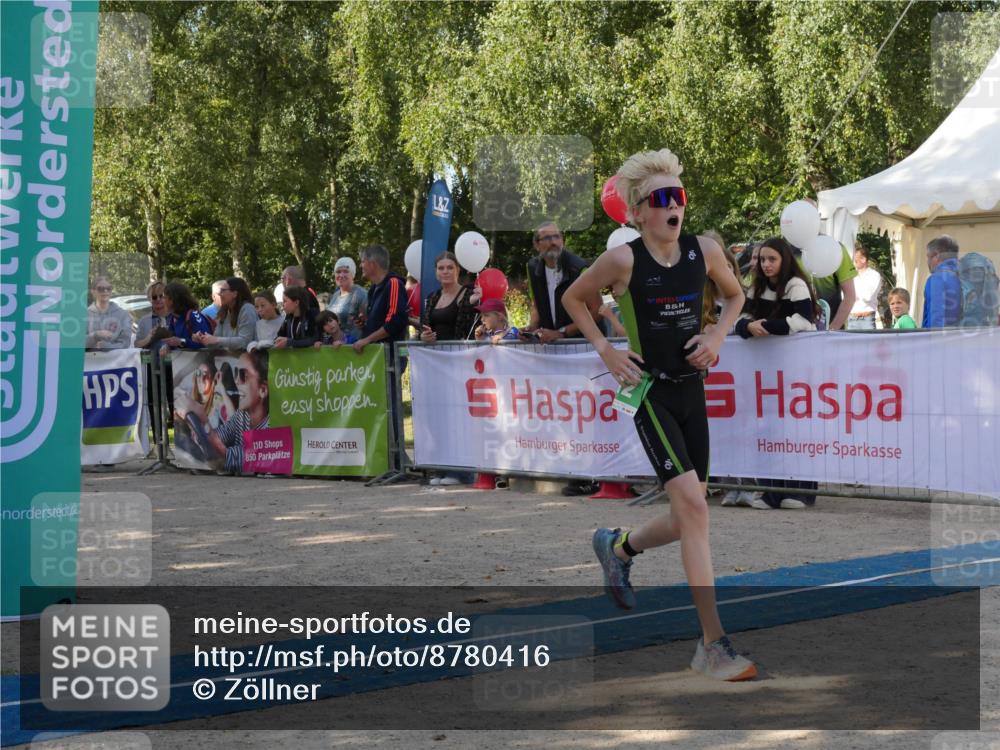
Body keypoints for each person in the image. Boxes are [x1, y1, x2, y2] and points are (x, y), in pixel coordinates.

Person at [562, 147, 755, 681]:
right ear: (639, 212)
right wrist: (606, 349)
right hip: (649, 392)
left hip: (693, 391)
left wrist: (717, 334)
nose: (674, 207)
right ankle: (712, 645)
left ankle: (619, 546)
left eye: (679, 197)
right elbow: (573, 298)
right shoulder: (623, 260)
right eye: (661, 199)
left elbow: (736, 298)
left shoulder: (705, 250)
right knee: (694, 507)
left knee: (688, 513)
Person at [733, 236, 818, 510]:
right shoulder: (755, 288)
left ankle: (802, 491)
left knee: (797, 428)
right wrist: (748, 328)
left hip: (797, 369)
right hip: (767, 370)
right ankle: (771, 491)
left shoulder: (796, 286)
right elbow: (738, 319)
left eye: (772, 259)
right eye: (761, 259)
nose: (765, 265)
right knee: (769, 427)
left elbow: (803, 321)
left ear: (784, 261)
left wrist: (765, 326)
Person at [209, 349, 270, 474]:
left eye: (243, 376)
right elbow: (221, 436)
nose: (236, 381)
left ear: (262, 390)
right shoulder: (242, 416)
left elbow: (233, 456)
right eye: (236, 373)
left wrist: (202, 424)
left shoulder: (272, 424)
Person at [353, 244, 409, 354]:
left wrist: (367, 340)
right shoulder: (373, 289)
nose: (360, 265)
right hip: (376, 356)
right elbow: (381, 321)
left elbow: (394, 322)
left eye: (363, 261)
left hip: (390, 358)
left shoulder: (394, 283)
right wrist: (365, 323)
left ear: (372, 264)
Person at [419, 252, 480, 344]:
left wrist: (472, 303)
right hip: (434, 354)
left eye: (450, 268)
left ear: (458, 270)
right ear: (436, 272)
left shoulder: (469, 294)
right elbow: (425, 326)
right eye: (441, 268)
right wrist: (423, 336)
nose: (445, 271)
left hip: (460, 353)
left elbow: (475, 327)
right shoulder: (432, 297)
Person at [193, 277, 258, 350]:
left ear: (235, 294)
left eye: (223, 290)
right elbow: (217, 343)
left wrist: (216, 340)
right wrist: (203, 339)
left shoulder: (247, 309)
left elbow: (245, 341)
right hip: (228, 358)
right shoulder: (224, 311)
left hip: (246, 359)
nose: (219, 294)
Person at [922, 236, 963, 328]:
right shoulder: (964, 276)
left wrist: (935, 340)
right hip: (963, 338)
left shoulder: (936, 279)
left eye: (928, 257)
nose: (928, 261)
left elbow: (936, 316)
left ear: (937, 255)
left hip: (941, 339)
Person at [161, 282, 212, 351]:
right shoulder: (172, 317)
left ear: (172, 300)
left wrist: (181, 341)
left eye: (164, 297)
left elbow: (205, 342)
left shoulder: (193, 315)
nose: (162, 301)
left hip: (200, 360)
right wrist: (167, 346)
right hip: (183, 360)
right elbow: (173, 340)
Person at [85, 276, 132, 350]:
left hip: (116, 361)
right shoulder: (84, 315)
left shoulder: (123, 315)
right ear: (93, 291)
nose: (105, 291)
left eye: (108, 288)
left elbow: (125, 342)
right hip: (90, 360)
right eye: (101, 289)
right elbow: (77, 343)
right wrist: (95, 335)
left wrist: (109, 347)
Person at [328, 257, 368, 341]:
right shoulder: (335, 296)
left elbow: (368, 323)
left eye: (346, 271)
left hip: (355, 348)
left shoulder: (361, 294)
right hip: (335, 348)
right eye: (338, 272)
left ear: (352, 274)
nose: (341, 275)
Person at [847, 245, 882, 330]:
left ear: (863, 259)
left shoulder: (874, 275)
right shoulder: (851, 275)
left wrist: (854, 294)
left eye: (855, 259)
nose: (853, 262)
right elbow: (845, 296)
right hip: (852, 318)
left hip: (867, 318)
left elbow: (868, 296)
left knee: (869, 343)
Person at [134, 281, 170, 350]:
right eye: (154, 297)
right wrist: (149, 337)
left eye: (161, 296)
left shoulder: (174, 316)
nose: (158, 299)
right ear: (149, 299)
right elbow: (137, 344)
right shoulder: (144, 321)